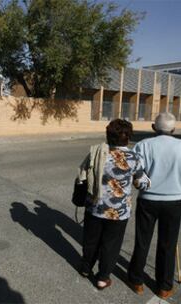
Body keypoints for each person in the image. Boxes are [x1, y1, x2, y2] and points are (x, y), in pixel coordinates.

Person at [77, 119, 150, 290]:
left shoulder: (96, 152)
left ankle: (86, 268)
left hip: (95, 207)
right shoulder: (134, 157)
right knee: (111, 245)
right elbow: (140, 183)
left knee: (91, 240)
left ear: (108, 135)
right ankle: (103, 278)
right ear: (128, 137)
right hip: (118, 212)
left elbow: (83, 174)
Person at [128, 112, 181, 300]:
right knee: (168, 243)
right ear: (174, 129)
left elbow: (135, 172)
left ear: (153, 127)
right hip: (174, 201)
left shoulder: (143, 145)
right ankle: (164, 286)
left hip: (148, 199)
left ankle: (136, 280)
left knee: (143, 240)